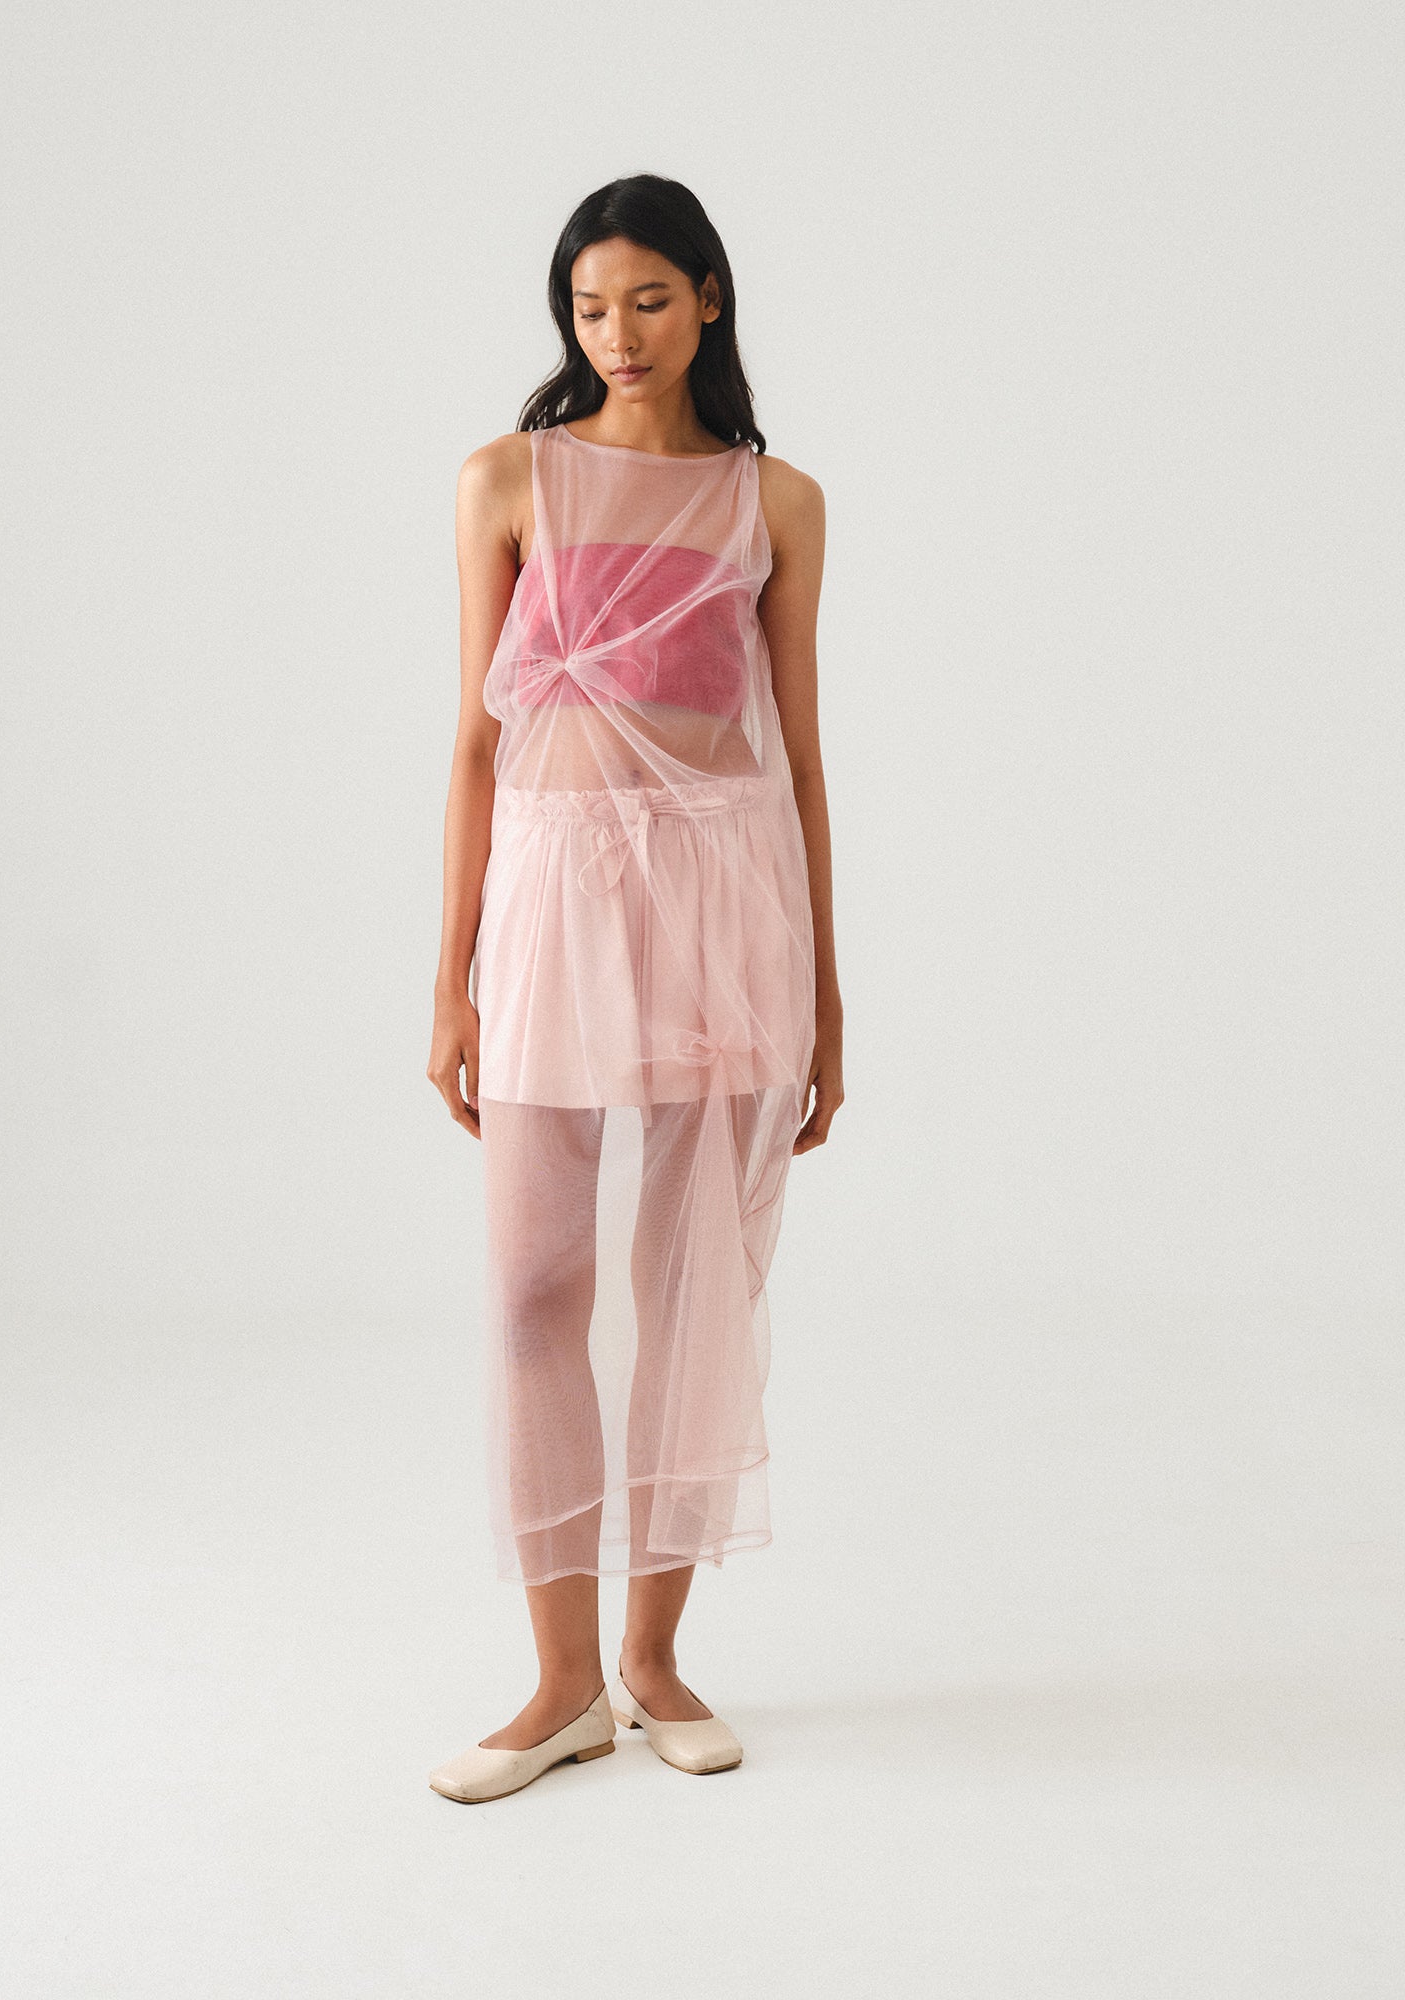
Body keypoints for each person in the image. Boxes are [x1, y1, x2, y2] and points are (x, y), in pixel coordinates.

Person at [426, 174, 843, 1803]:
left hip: (722, 906)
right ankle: (559, 1685)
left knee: (691, 1286)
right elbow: (477, 743)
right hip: (549, 904)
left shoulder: (775, 500)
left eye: (651, 301)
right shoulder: (505, 479)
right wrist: (450, 982)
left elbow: (798, 757)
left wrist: (828, 994)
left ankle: (654, 1662)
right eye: (591, 307)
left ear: (711, 298)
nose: (620, 334)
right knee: (536, 1286)